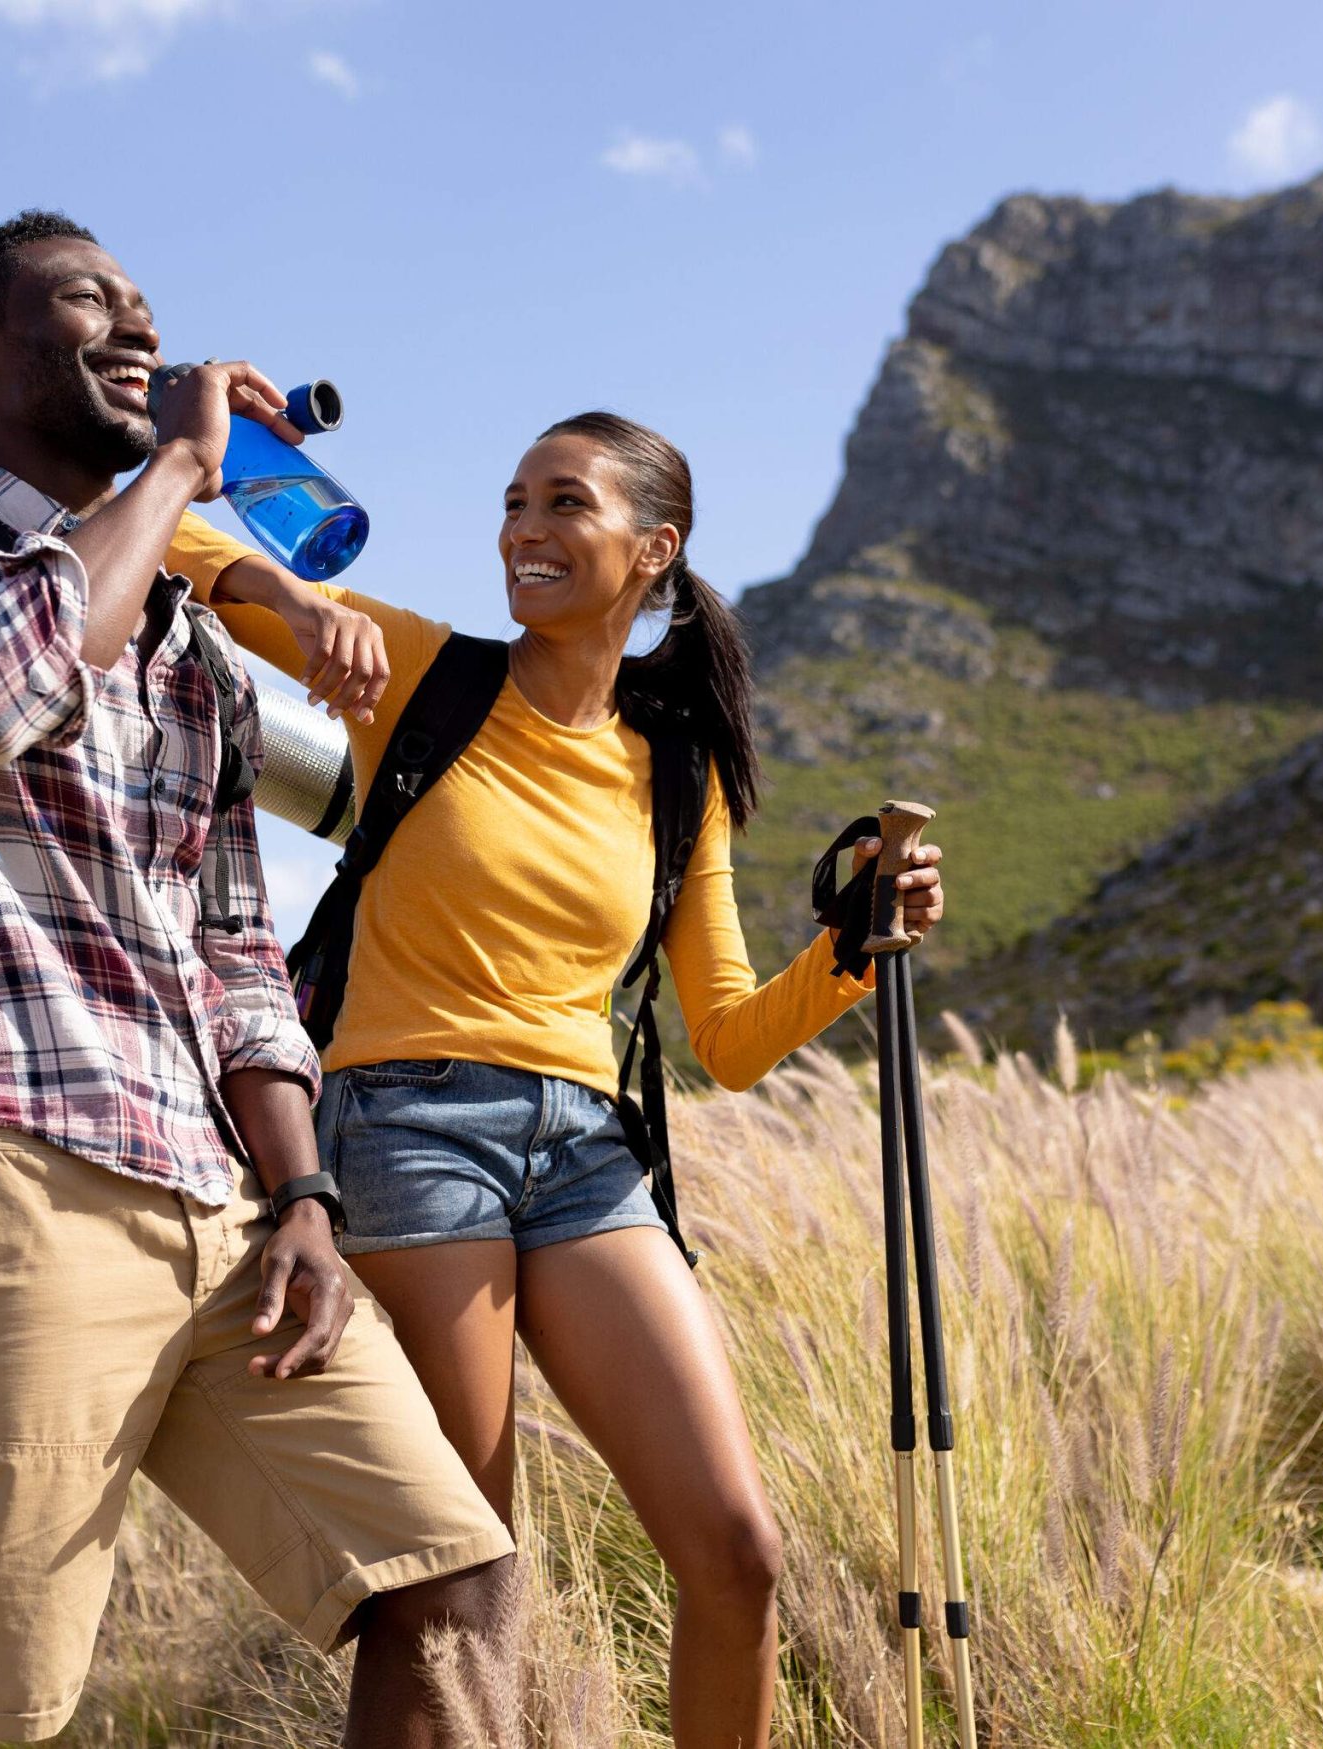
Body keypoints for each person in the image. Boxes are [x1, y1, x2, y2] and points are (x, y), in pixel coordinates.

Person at [0, 210, 515, 1749]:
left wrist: (305, 1200)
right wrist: (185, 471)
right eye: (91, 302)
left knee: (453, 1588)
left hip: (222, 1210)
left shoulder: (193, 651)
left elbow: (236, 954)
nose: (140, 329)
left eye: (149, 306)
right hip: (8, 1174)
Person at [197, 410, 948, 1748]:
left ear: (653, 548)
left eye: (562, 505)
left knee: (738, 1552)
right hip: (407, 1124)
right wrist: (281, 582)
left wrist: (850, 946)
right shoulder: (422, 670)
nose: (521, 531)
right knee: (455, 1583)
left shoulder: (679, 768)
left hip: (589, 1151)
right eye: (512, 503)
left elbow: (721, 1032)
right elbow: (169, 558)